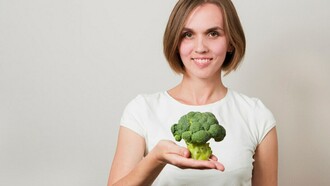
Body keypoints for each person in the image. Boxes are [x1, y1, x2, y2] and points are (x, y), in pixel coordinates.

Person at [108, 0, 278, 185]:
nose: (200, 47)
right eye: (188, 34)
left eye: (213, 33)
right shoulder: (142, 110)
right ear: (176, 42)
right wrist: (156, 159)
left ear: (230, 41)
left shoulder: (256, 115)